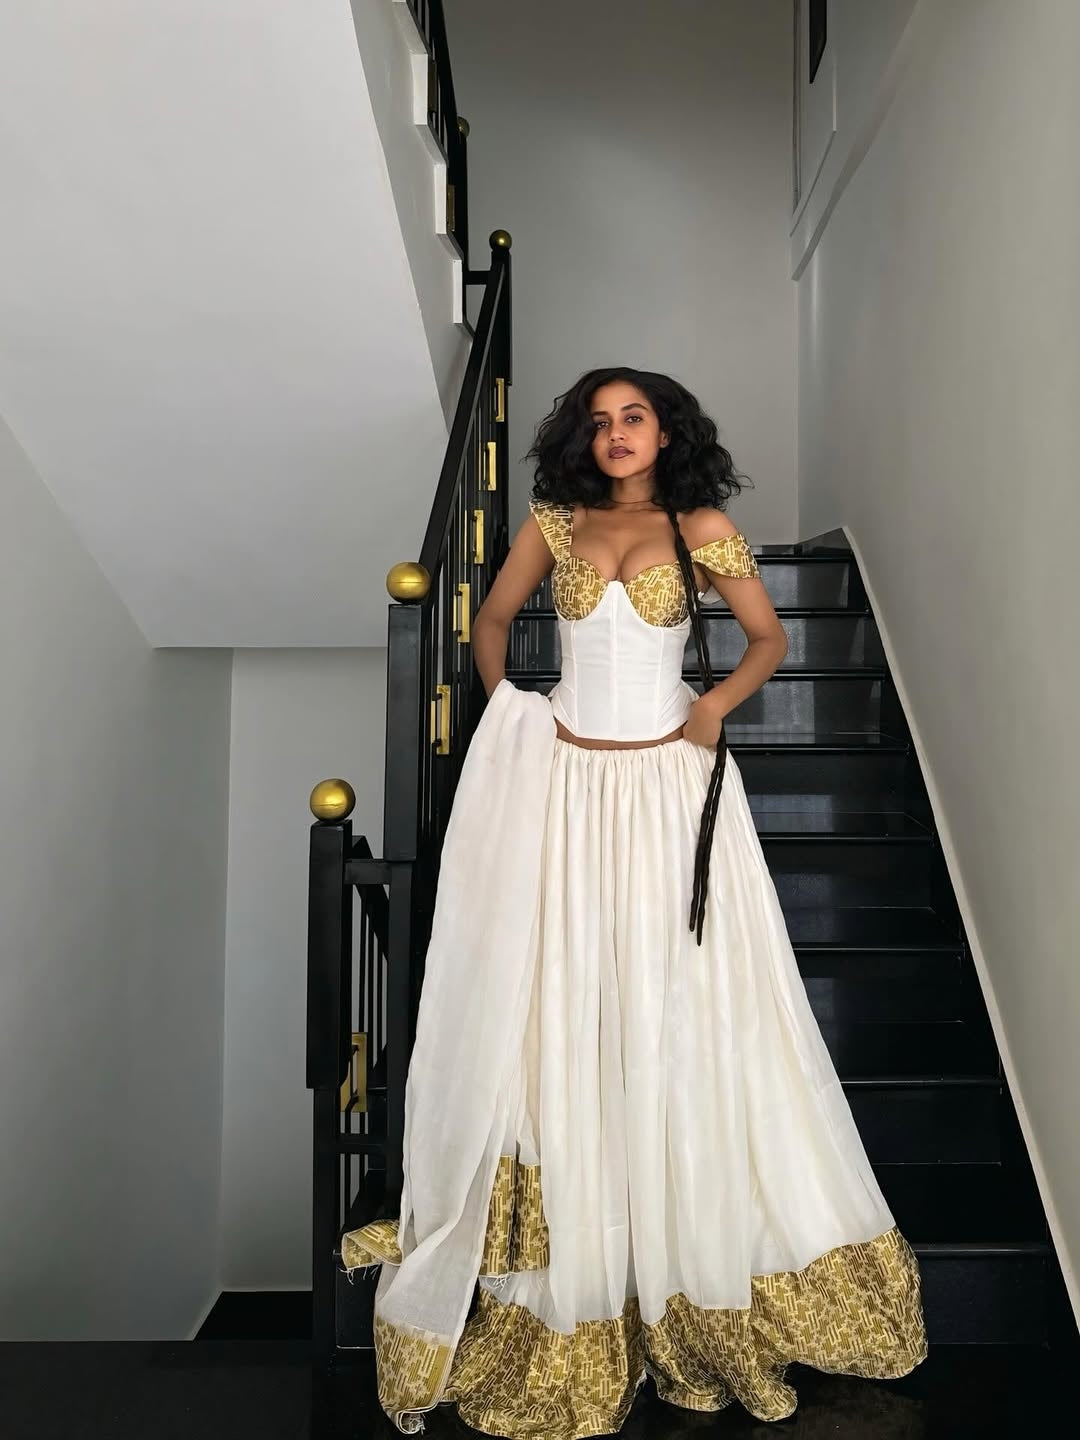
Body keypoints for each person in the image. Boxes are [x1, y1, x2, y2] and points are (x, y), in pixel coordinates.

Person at [344, 366, 928, 1437]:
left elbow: (770, 639)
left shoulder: (702, 526)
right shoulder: (554, 525)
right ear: (584, 437)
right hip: (569, 785)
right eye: (601, 420)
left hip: (668, 784)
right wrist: (518, 721)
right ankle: (582, 1266)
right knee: (570, 995)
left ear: (666, 433)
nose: (616, 434)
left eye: (635, 418)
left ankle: (690, 1260)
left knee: (678, 998)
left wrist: (714, 707)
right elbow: (491, 622)